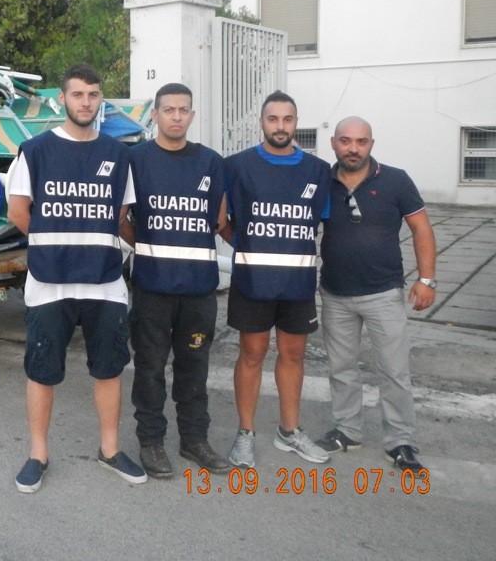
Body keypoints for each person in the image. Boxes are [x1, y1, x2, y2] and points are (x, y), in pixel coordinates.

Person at [7, 63, 147, 493]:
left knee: (108, 369)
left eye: (93, 94)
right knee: (42, 370)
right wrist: (53, 243)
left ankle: (109, 450)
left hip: (104, 282)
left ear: (100, 99)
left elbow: (121, 214)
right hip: (50, 284)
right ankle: (37, 455)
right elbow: (17, 211)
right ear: (62, 100)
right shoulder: (35, 151)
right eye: (77, 94)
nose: (86, 101)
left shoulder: (118, 154)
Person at [119, 83, 231, 479]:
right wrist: (151, 248)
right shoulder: (136, 160)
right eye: (169, 110)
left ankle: (194, 440)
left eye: (184, 110)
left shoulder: (212, 163)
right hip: (152, 288)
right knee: (149, 368)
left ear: (192, 115)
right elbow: (122, 220)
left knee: (194, 367)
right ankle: (151, 443)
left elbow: (218, 221)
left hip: (199, 290)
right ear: (155, 115)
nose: (177, 116)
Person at [313, 117, 436, 473]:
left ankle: (399, 441)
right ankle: (347, 431)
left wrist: (427, 279)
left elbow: (421, 228)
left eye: (362, 141)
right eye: (346, 141)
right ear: (334, 143)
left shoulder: (396, 180)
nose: (354, 148)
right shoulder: (323, 181)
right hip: (335, 292)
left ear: (372, 143)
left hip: (383, 293)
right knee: (341, 368)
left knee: (394, 371)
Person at [223, 90, 332, 469]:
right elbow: (222, 220)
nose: (280, 126)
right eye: (273, 119)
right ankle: (245, 434)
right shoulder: (236, 166)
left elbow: (322, 222)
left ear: (295, 123)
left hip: (298, 283)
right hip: (253, 282)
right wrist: (246, 244)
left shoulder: (318, 171)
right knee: (251, 354)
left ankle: (289, 430)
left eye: (287, 119)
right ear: (262, 123)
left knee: (293, 355)